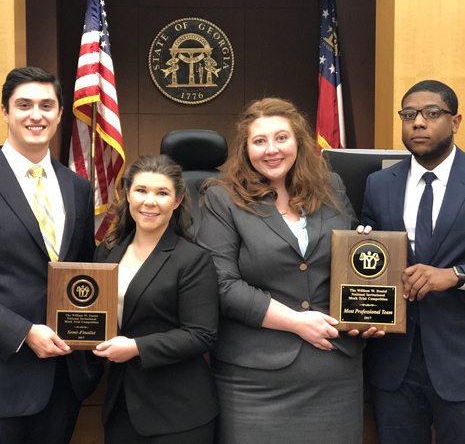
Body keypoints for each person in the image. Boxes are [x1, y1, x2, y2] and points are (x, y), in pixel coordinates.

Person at [196, 97, 366, 444]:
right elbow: (222, 284)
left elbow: (348, 269)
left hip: (335, 374)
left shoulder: (331, 186)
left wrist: (366, 252)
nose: (271, 149)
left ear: (299, 142)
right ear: (246, 148)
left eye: (281, 138)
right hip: (254, 381)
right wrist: (297, 322)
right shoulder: (222, 197)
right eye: (259, 141)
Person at [0, 66, 103, 443]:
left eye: (46, 105)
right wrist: (23, 332)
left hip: (64, 378)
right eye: (24, 105)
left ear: (60, 114)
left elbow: (85, 269)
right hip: (6, 371)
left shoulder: (78, 187)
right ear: (5, 112)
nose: (36, 115)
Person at [360, 80, 465, 444]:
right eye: (408, 115)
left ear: (455, 121)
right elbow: (369, 265)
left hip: (459, 358)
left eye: (431, 113)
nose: (418, 122)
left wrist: (456, 275)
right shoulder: (378, 184)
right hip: (394, 365)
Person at [92, 155, 219, 444]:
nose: (150, 201)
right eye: (141, 190)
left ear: (177, 201)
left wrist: (136, 347)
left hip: (177, 413)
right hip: (120, 407)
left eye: (162, 193)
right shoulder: (107, 252)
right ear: (127, 194)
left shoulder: (192, 259)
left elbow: (202, 334)